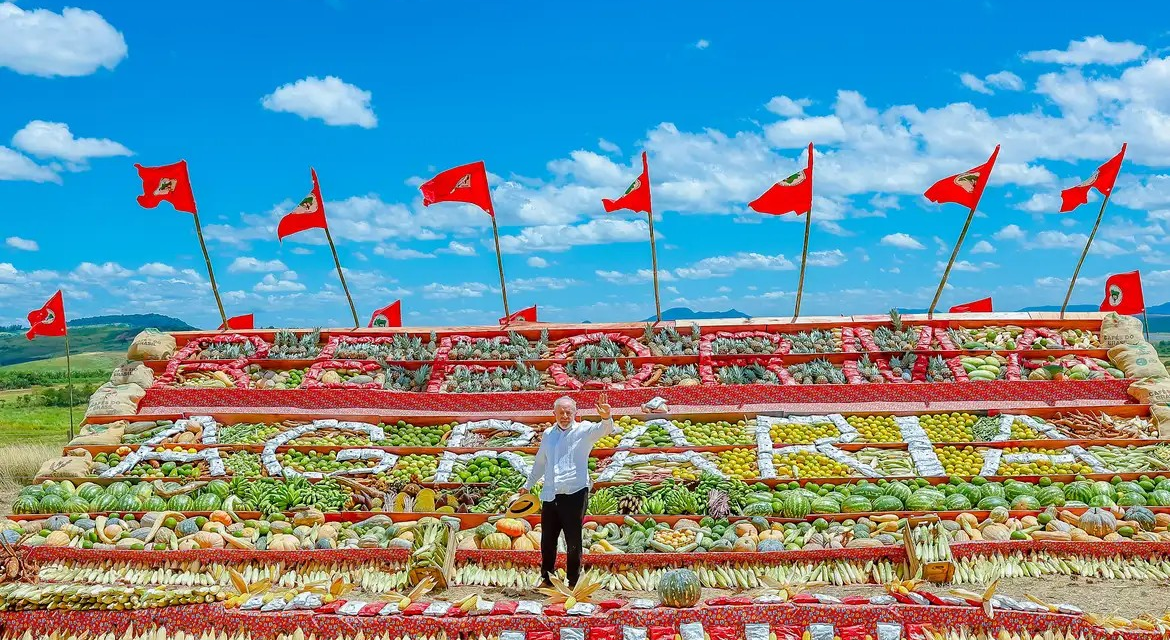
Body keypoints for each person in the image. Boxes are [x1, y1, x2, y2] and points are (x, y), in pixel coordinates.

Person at [523, 392, 614, 588]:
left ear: (575, 413)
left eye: (569, 412)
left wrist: (606, 416)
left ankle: (573, 581)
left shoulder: (584, 430)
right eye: (561, 412)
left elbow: (604, 429)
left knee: (573, 539)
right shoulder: (548, 434)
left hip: (575, 492)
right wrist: (528, 485)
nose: (565, 416)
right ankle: (547, 578)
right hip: (550, 493)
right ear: (554, 413)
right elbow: (540, 462)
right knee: (548, 540)